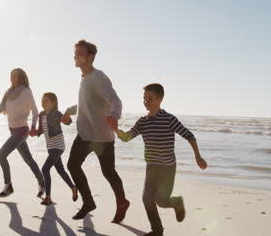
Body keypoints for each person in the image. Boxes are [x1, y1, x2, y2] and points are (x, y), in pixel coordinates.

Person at [110, 83, 208, 236]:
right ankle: (157, 231)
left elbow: (189, 135)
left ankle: (176, 202)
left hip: (167, 168)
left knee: (162, 201)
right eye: (144, 99)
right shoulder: (142, 121)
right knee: (147, 199)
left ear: (160, 99)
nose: (146, 102)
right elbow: (127, 137)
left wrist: (198, 156)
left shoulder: (169, 119)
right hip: (152, 167)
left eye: (150, 98)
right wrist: (116, 129)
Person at [62, 39, 130, 223]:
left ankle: (122, 202)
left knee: (108, 172)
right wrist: (69, 112)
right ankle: (89, 202)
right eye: (75, 52)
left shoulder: (98, 77)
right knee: (73, 165)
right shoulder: (83, 78)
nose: (75, 56)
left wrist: (114, 115)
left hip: (102, 137)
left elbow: (116, 100)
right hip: (85, 135)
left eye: (80, 53)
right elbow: (86, 103)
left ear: (90, 57)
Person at [0, 68, 45, 198]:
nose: (12, 78)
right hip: (13, 131)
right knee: (28, 159)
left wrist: (34, 126)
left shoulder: (26, 92)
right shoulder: (8, 93)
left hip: (22, 130)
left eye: (15, 76)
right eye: (11, 76)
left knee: (1, 155)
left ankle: (8, 185)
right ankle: (42, 182)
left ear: (21, 77)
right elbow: (0, 108)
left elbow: (35, 111)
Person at [34, 92, 78, 205]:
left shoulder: (56, 113)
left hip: (58, 145)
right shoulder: (41, 115)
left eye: (46, 101)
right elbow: (40, 130)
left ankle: (48, 197)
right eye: (42, 101)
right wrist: (34, 132)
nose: (43, 103)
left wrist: (67, 117)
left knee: (45, 169)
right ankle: (73, 187)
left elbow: (67, 121)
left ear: (53, 103)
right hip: (49, 146)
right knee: (60, 170)